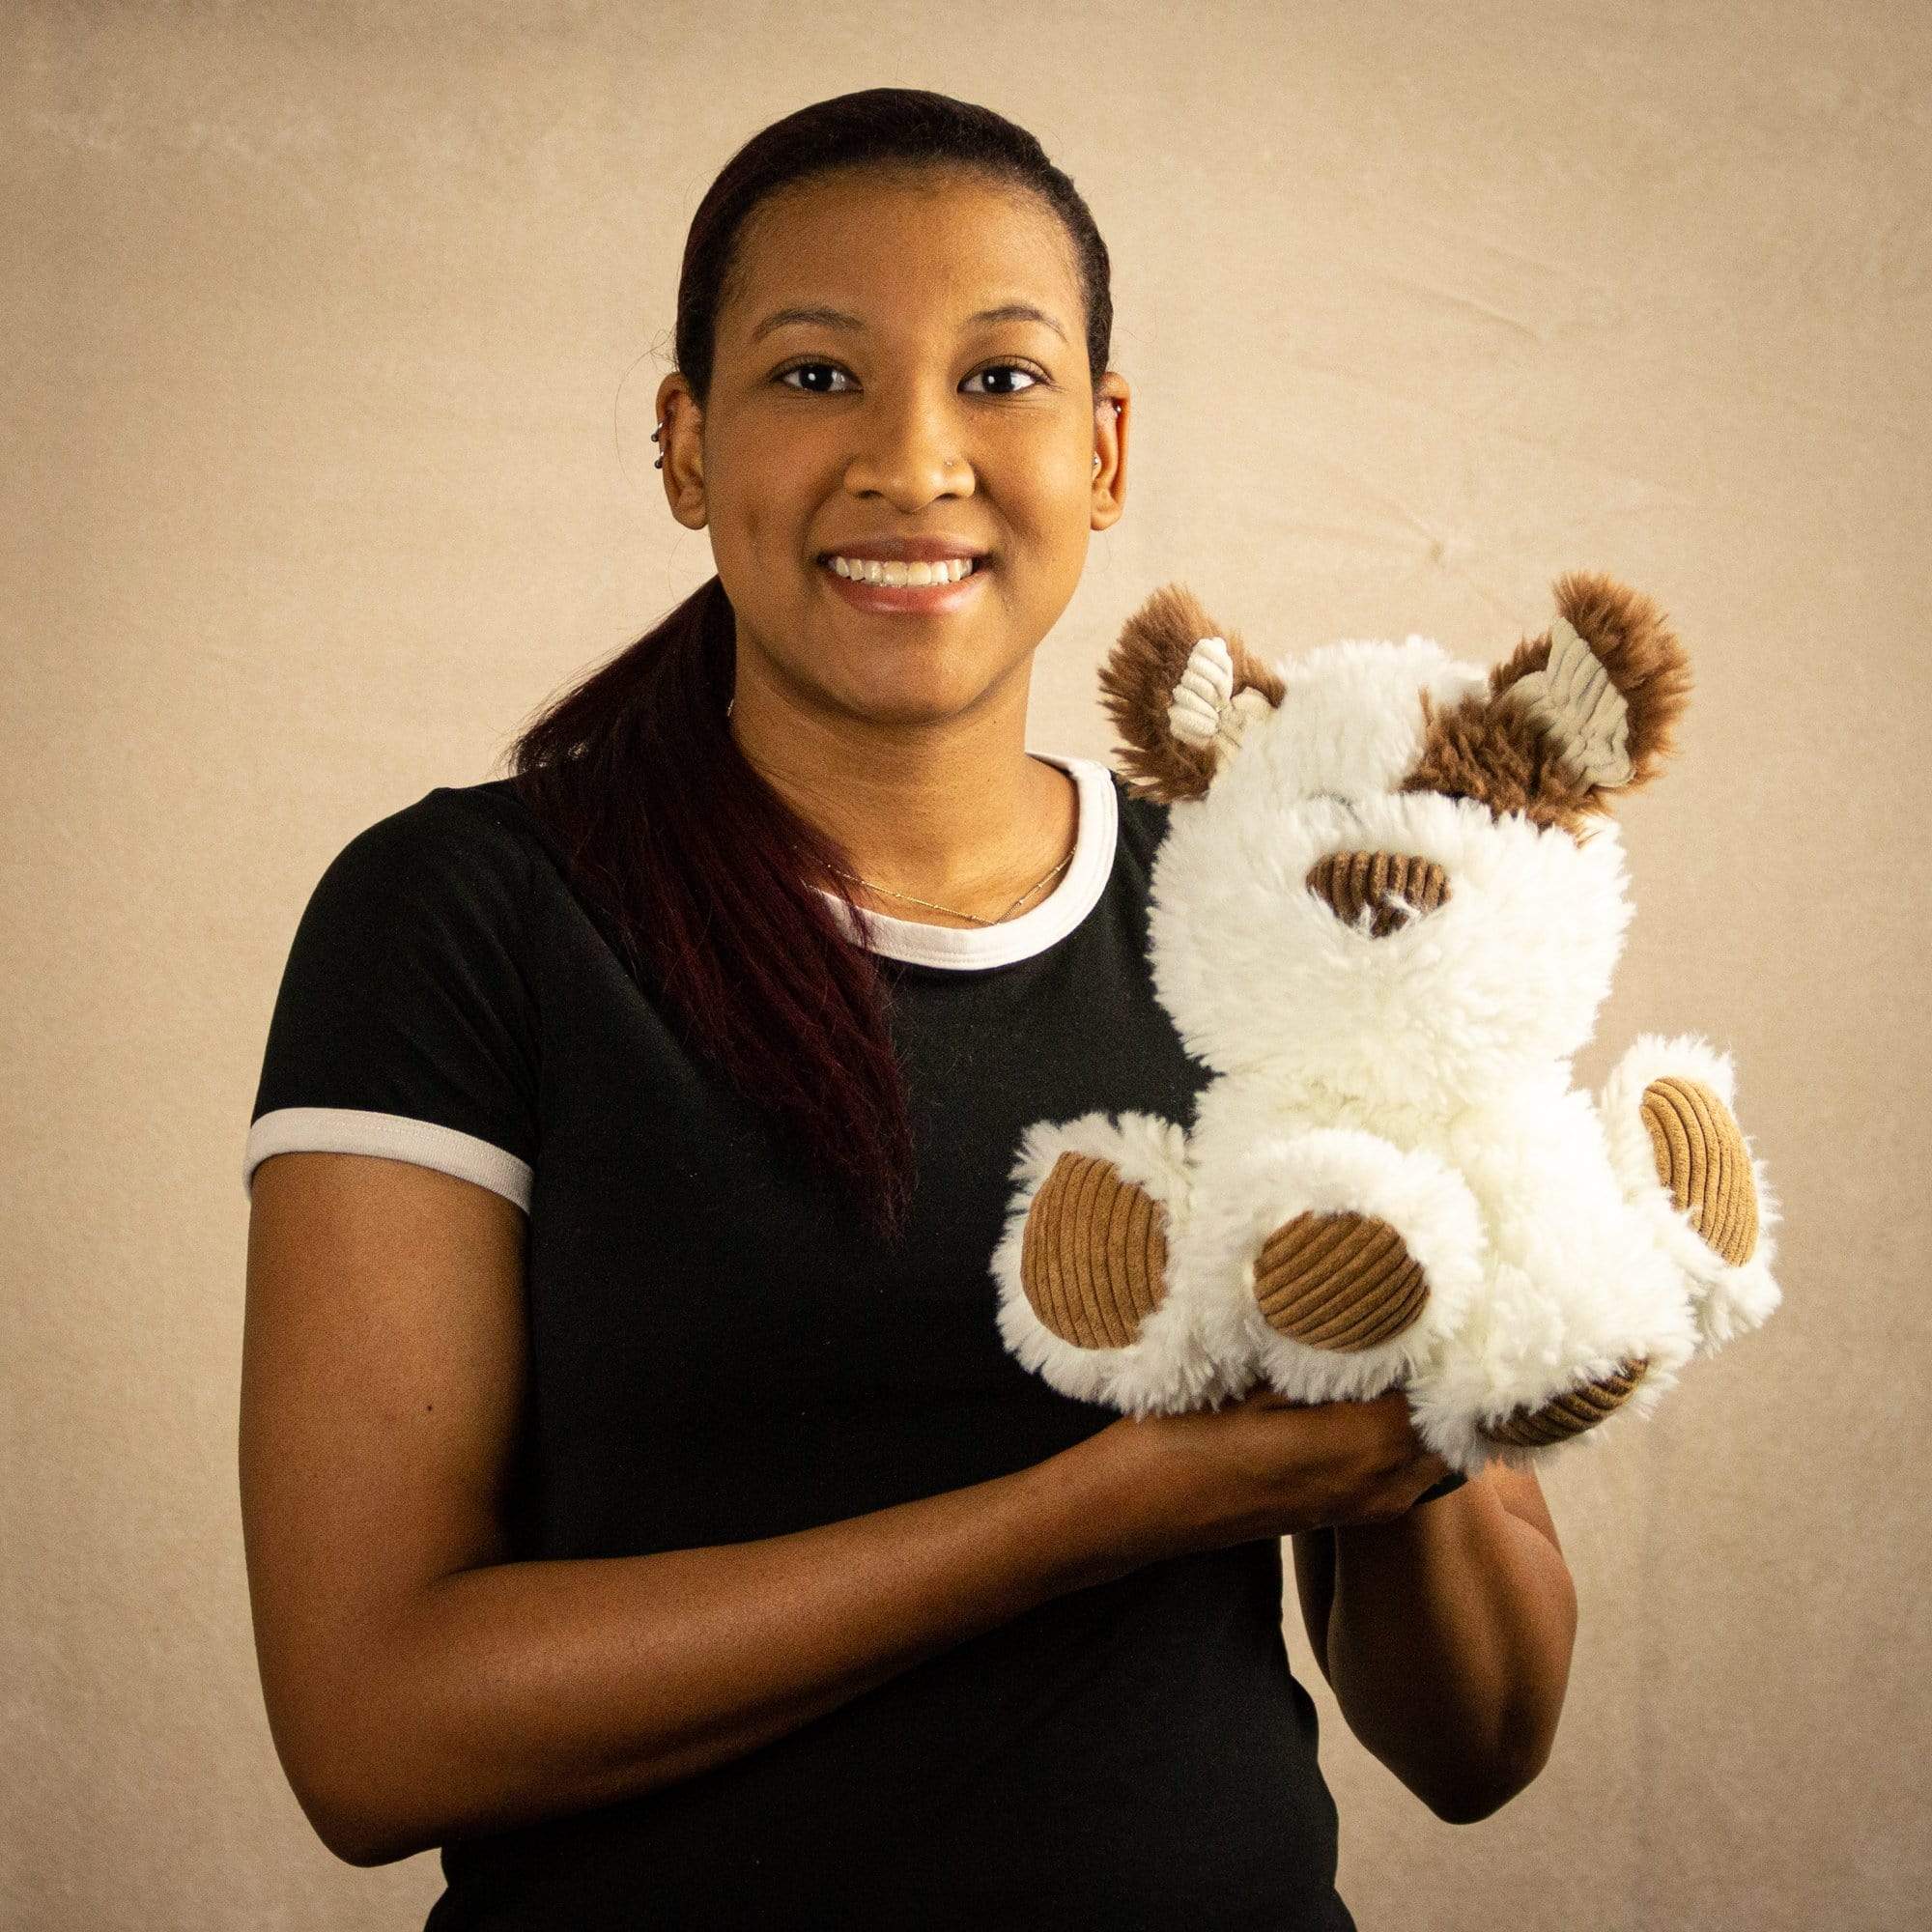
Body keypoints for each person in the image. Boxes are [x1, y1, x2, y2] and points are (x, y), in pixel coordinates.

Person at [239, 87, 1577, 1930]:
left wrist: (1390, 1427)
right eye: (813, 379)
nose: (915, 460)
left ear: (1105, 452)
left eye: (1003, 380)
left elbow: (1487, 1739)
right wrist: (1086, 1518)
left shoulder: (1275, 923)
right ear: (684, 444)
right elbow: (370, 1734)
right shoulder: (466, 916)